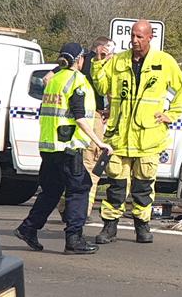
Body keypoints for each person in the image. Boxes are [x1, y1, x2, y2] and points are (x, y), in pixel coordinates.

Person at [91, 19, 182, 244]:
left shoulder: (164, 62)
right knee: (116, 185)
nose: (134, 40)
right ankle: (109, 227)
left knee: (143, 186)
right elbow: (103, 88)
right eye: (133, 36)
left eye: (139, 37)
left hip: (148, 138)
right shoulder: (119, 61)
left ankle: (142, 227)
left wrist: (171, 114)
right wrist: (99, 65)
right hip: (120, 136)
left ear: (150, 37)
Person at [14, 43, 113, 254]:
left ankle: (28, 228)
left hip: (49, 148)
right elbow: (79, 117)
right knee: (79, 189)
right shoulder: (77, 81)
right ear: (79, 60)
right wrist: (99, 142)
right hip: (69, 148)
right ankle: (74, 239)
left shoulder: (54, 81)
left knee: (51, 191)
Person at [49, 37, 116, 221]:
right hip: (90, 119)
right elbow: (109, 91)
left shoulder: (71, 65)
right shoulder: (96, 65)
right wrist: (110, 109)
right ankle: (80, 212)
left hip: (72, 125)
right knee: (92, 166)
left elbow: (48, 78)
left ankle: (66, 205)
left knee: (75, 167)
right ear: (102, 49)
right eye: (109, 52)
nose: (110, 56)